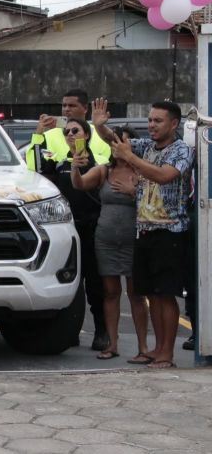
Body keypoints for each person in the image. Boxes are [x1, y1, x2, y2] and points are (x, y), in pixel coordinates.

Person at [93, 98, 194, 369]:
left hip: (169, 230)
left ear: (174, 124)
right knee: (151, 294)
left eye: (158, 121)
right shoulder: (146, 146)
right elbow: (115, 143)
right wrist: (100, 127)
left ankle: (166, 354)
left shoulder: (182, 150)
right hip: (144, 229)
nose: (151, 125)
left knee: (166, 294)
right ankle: (156, 349)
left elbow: (163, 176)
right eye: (150, 120)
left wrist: (131, 159)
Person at [70, 125, 151, 363]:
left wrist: (133, 192)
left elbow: (155, 199)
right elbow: (80, 184)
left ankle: (144, 347)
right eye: (113, 142)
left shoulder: (142, 172)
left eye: (121, 142)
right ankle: (112, 344)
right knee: (111, 292)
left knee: (136, 294)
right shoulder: (104, 171)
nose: (116, 147)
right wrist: (75, 167)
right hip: (105, 238)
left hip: (133, 239)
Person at [38, 118, 108, 351]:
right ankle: (71, 331)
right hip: (67, 231)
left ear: (86, 135)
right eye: (66, 131)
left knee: (95, 285)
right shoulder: (58, 164)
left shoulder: (98, 164)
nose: (69, 134)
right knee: (69, 283)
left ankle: (102, 332)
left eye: (75, 131)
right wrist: (39, 136)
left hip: (91, 229)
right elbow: (36, 171)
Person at [26, 89, 111, 172]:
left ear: (85, 108)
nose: (66, 109)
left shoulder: (101, 134)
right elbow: (34, 167)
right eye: (64, 105)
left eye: (71, 106)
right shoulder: (47, 136)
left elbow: (110, 166)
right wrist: (38, 135)